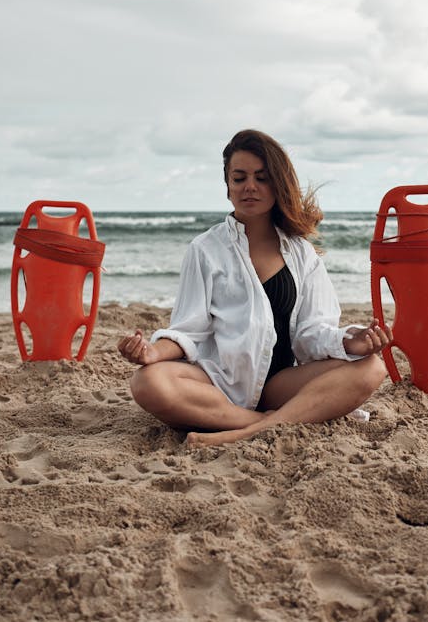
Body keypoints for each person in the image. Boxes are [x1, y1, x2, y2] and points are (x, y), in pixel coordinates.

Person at [118, 129, 392, 446]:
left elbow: (310, 334)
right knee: (147, 383)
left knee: (371, 368)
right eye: (239, 178)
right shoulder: (205, 249)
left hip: (280, 384)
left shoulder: (301, 253)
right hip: (218, 382)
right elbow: (189, 331)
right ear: (227, 187)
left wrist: (350, 342)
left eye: (262, 178)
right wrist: (151, 352)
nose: (250, 186)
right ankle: (265, 423)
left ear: (278, 184)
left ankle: (245, 432)